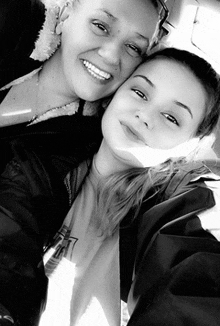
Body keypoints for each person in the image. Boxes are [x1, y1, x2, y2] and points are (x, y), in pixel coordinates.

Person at [1, 47, 219, 325]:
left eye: (172, 118)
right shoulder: (34, 170)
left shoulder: (181, 210)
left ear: (188, 146)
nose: (145, 115)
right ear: (115, 94)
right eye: (140, 93)